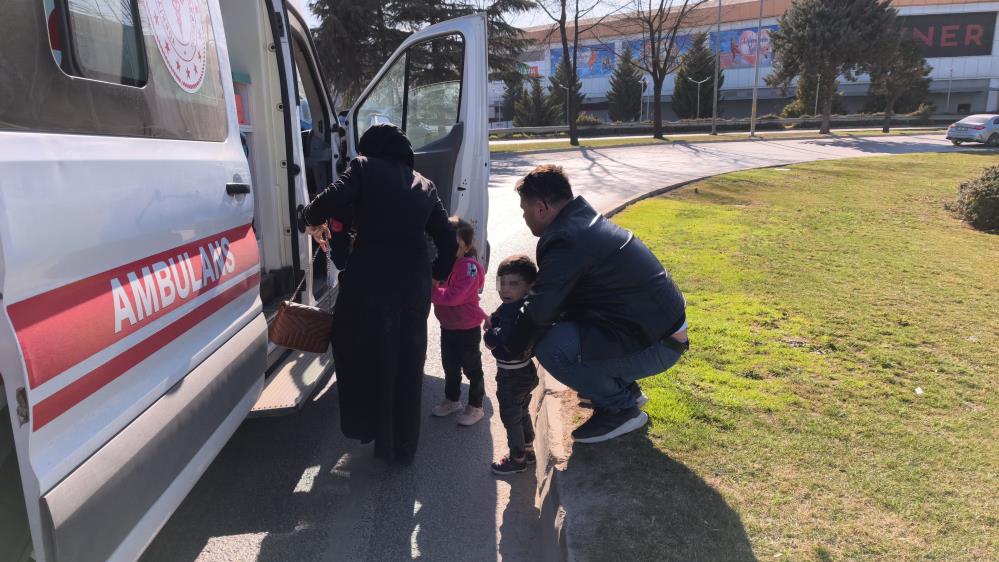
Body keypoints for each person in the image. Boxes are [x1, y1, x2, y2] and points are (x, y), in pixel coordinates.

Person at [492, 164, 689, 445]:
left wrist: (511, 348)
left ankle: (621, 408)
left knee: (550, 347)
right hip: (659, 332)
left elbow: (539, 310)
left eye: (524, 210)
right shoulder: (580, 222)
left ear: (541, 207)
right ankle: (625, 390)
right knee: (559, 330)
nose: (524, 217)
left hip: (660, 345)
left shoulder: (565, 239)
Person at [300, 124, 457, 465]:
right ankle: (403, 448)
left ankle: (368, 427)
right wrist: (436, 275)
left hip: (369, 282)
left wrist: (309, 219)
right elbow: (447, 239)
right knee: (407, 360)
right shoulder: (425, 185)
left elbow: (328, 203)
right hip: (413, 285)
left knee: (356, 350)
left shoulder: (363, 167)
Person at [483, 255, 540, 475]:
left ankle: (517, 459)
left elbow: (497, 339)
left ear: (528, 286)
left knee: (510, 417)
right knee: (522, 411)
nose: (505, 289)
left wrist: (489, 333)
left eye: (513, 284)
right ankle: (528, 449)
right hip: (525, 371)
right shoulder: (522, 306)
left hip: (511, 377)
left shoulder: (513, 312)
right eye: (502, 283)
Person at [430, 217, 488, 426]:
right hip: (448, 327)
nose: (447, 249)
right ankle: (452, 400)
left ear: (467, 246)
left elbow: (455, 296)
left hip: (467, 328)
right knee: (450, 367)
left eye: (455, 245)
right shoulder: (442, 265)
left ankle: (476, 406)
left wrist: (430, 291)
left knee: (472, 369)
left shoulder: (469, 268)